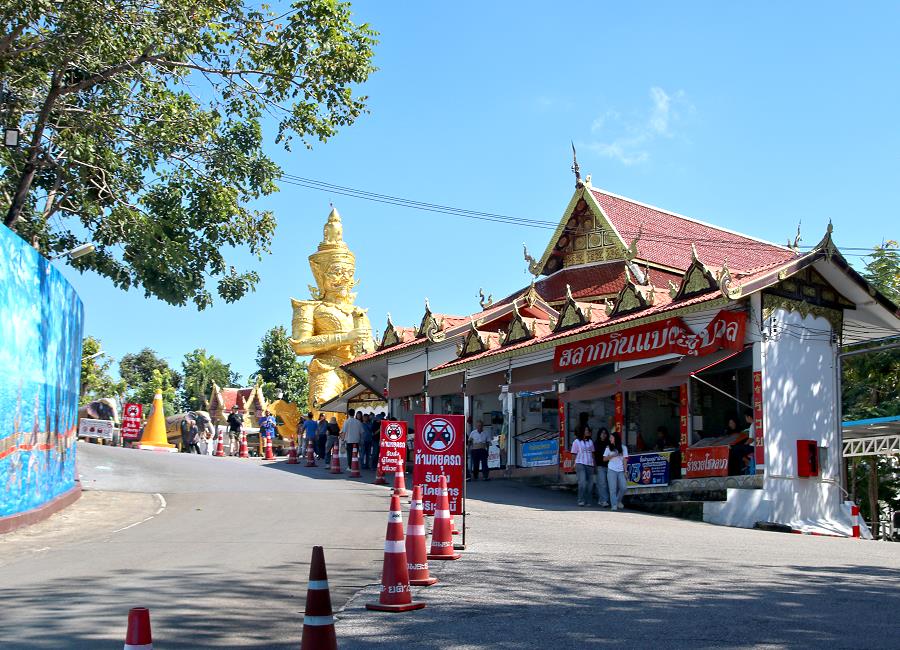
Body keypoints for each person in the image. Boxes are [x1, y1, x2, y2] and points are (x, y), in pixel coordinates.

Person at [604, 431, 629, 510]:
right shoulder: (608, 447)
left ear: (616, 438)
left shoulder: (624, 448)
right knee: (612, 489)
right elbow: (604, 459)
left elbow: (625, 460)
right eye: (610, 438)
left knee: (624, 487)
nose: (610, 439)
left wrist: (626, 471)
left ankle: (618, 501)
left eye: (611, 437)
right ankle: (614, 505)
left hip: (621, 470)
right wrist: (612, 455)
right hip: (611, 469)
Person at [571, 426, 595, 507]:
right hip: (580, 463)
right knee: (582, 482)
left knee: (590, 484)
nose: (587, 431)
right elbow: (574, 454)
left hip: (590, 464)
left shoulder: (590, 442)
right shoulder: (576, 442)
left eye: (588, 430)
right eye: (585, 430)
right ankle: (581, 500)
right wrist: (572, 464)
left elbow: (593, 453)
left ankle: (588, 501)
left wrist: (594, 464)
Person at [594, 427, 611, 507]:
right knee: (602, 483)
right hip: (600, 466)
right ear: (599, 434)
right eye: (602, 433)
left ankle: (601, 499)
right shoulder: (596, 443)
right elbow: (594, 455)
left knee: (607, 484)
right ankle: (604, 501)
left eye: (605, 433)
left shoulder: (609, 444)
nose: (603, 435)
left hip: (609, 466)